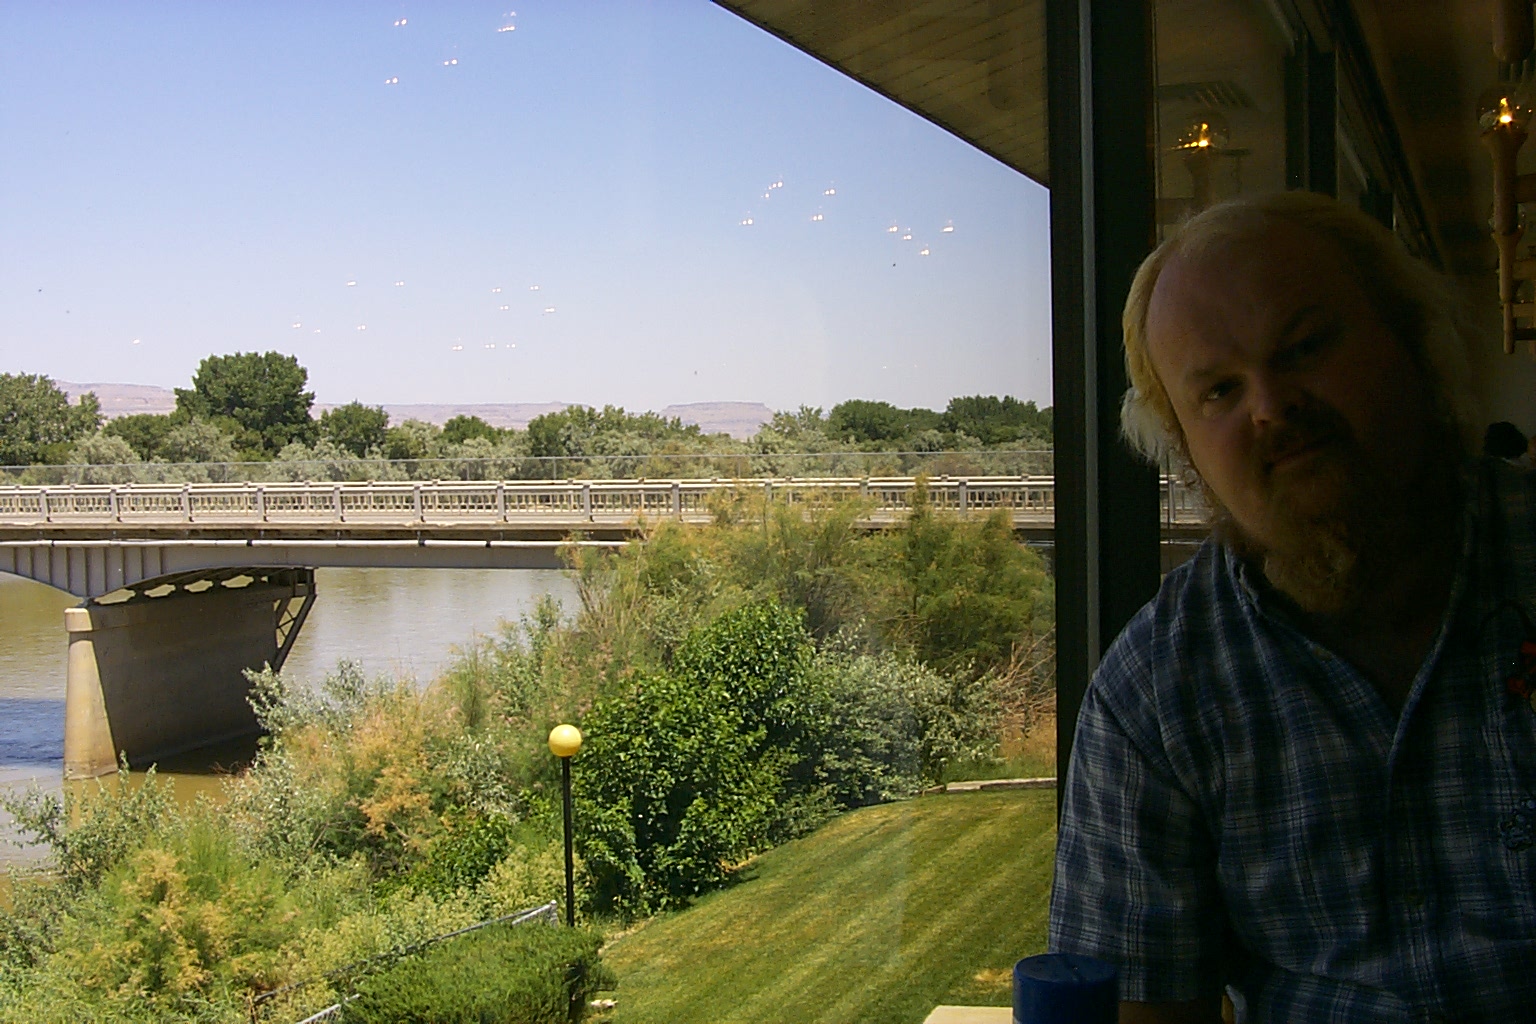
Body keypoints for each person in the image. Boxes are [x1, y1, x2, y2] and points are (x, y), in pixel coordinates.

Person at [1048, 191, 1536, 1023]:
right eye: (1219, 391)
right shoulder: (1154, 692)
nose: (1271, 406)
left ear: (1414, 342)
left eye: (1306, 346)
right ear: (1186, 452)